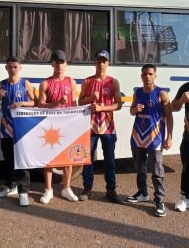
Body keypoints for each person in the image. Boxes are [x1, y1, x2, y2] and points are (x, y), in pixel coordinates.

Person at [127, 64, 173, 217]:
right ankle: (142, 192)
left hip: (155, 138)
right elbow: (131, 110)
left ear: (155, 75)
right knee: (139, 166)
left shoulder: (162, 94)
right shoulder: (137, 92)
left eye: (150, 74)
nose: (147, 76)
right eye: (145, 74)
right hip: (138, 136)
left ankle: (159, 200)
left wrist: (169, 137)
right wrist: (135, 110)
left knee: (157, 170)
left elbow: (169, 116)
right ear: (141, 76)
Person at [78, 50, 122, 204]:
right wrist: (90, 98)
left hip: (108, 127)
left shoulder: (113, 82)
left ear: (108, 63)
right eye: (98, 61)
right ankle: (87, 188)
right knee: (87, 159)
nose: (101, 64)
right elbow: (79, 102)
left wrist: (102, 108)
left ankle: (111, 190)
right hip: (90, 127)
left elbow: (119, 104)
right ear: (94, 63)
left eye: (104, 61)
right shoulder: (87, 81)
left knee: (109, 160)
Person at [0, 56, 37, 207]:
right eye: (10, 67)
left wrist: (22, 103)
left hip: (21, 128)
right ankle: (11, 186)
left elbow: (35, 102)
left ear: (20, 68)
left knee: (22, 160)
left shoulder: (25, 83)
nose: (12, 69)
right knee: (8, 159)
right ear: (6, 68)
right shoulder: (1, 84)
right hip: (5, 128)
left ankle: (23, 192)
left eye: (15, 67)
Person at [38, 50, 78, 204]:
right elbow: (40, 105)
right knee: (49, 159)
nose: (59, 65)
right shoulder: (45, 83)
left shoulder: (72, 82)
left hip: (67, 125)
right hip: (51, 126)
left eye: (62, 62)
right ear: (52, 64)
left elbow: (74, 104)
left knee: (68, 159)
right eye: (57, 62)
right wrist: (56, 103)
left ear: (66, 64)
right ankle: (48, 190)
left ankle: (66, 188)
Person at [171, 81, 189, 212]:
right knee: (187, 168)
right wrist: (182, 100)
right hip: (188, 137)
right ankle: (185, 198)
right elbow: (173, 107)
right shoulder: (185, 87)